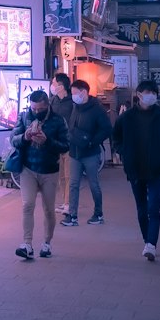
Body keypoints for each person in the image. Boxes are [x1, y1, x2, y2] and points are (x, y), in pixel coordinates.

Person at [112, 78, 160, 261]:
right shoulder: (127, 117)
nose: (150, 97)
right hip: (134, 169)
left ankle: (151, 244)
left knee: (154, 209)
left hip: (156, 169)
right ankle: (147, 240)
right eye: (147, 93)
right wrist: (123, 152)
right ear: (139, 95)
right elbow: (116, 137)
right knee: (142, 209)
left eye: (153, 94)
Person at [9, 89, 68, 261]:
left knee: (49, 209)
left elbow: (65, 146)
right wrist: (25, 137)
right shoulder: (24, 116)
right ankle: (27, 244)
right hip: (28, 168)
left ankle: (47, 243)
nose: (35, 112)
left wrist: (47, 141)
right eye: (33, 109)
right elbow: (14, 139)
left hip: (50, 170)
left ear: (47, 106)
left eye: (39, 109)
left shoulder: (58, 120)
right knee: (27, 205)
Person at [61, 78, 113, 227]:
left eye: (75, 93)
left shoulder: (97, 109)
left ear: (84, 92)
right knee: (73, 184)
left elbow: (107, 129)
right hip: (74, 152)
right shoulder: (75, 107)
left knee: (94, 184)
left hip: (91, 153)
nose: (73, 96)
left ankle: (98, 214)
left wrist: (92, 141)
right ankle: (72, 215)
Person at [48, 74, 74, 214]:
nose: (52, 86)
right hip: (56, 144)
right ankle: (65, 203)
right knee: (61, 176)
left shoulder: (72, 102)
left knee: (69, 175)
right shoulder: (52, 101)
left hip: (69, 144)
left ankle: (68, 203)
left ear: (61, 86)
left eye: (54, 83)